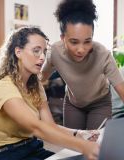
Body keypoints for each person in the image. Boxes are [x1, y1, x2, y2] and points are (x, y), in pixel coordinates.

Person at [0, 27, 99, 160]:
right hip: (8, 153)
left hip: (32, 146)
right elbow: (36, 127)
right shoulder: (4, 87)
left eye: (44, 52)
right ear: (18, 52)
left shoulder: (35, 85)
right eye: (36, 51)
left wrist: (79, 134)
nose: (42, 57)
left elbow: (49, 126)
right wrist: (83, 146)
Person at [41, 0, 124, 130]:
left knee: (95, 143)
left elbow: (122, 90)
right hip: (73, 103)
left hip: (100, 103)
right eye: (74, 42)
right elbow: (41, 78)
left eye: (87, 41)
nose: (81, 49)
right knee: (73, 145)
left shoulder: (103, 55)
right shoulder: (55, 52)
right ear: (63, 38)